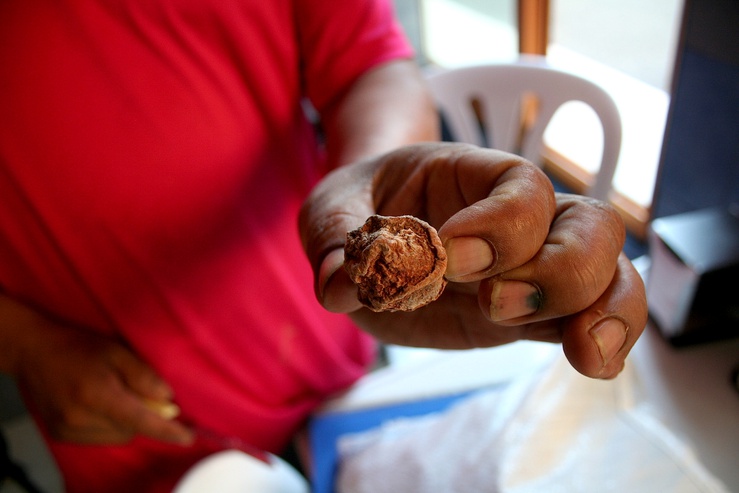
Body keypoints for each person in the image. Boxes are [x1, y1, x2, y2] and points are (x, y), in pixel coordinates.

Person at [0, 0, 647, 491]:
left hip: (329, 350)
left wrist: (372, 173)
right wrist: (25, 343)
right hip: (129, 422)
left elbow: (372, 64)